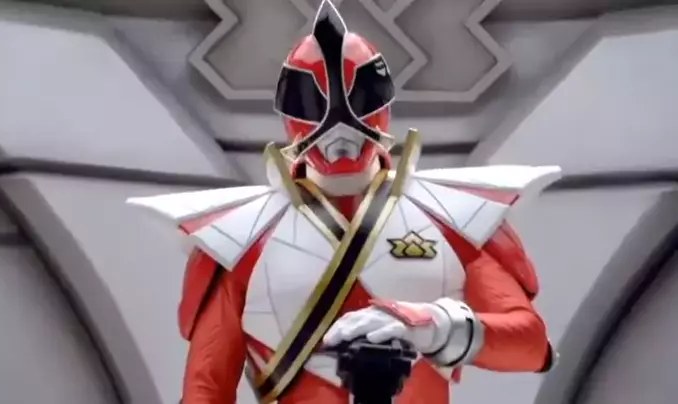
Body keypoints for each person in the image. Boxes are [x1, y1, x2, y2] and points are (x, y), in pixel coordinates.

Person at [127, 1, 560, 403]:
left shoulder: (452, 214)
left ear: (381, 107)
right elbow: (206, 389)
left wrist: (430, 325)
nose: (340, 140)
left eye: (357, 115)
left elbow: (530, 344)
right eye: (318, 117)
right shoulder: (238, 235)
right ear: (293, 118)